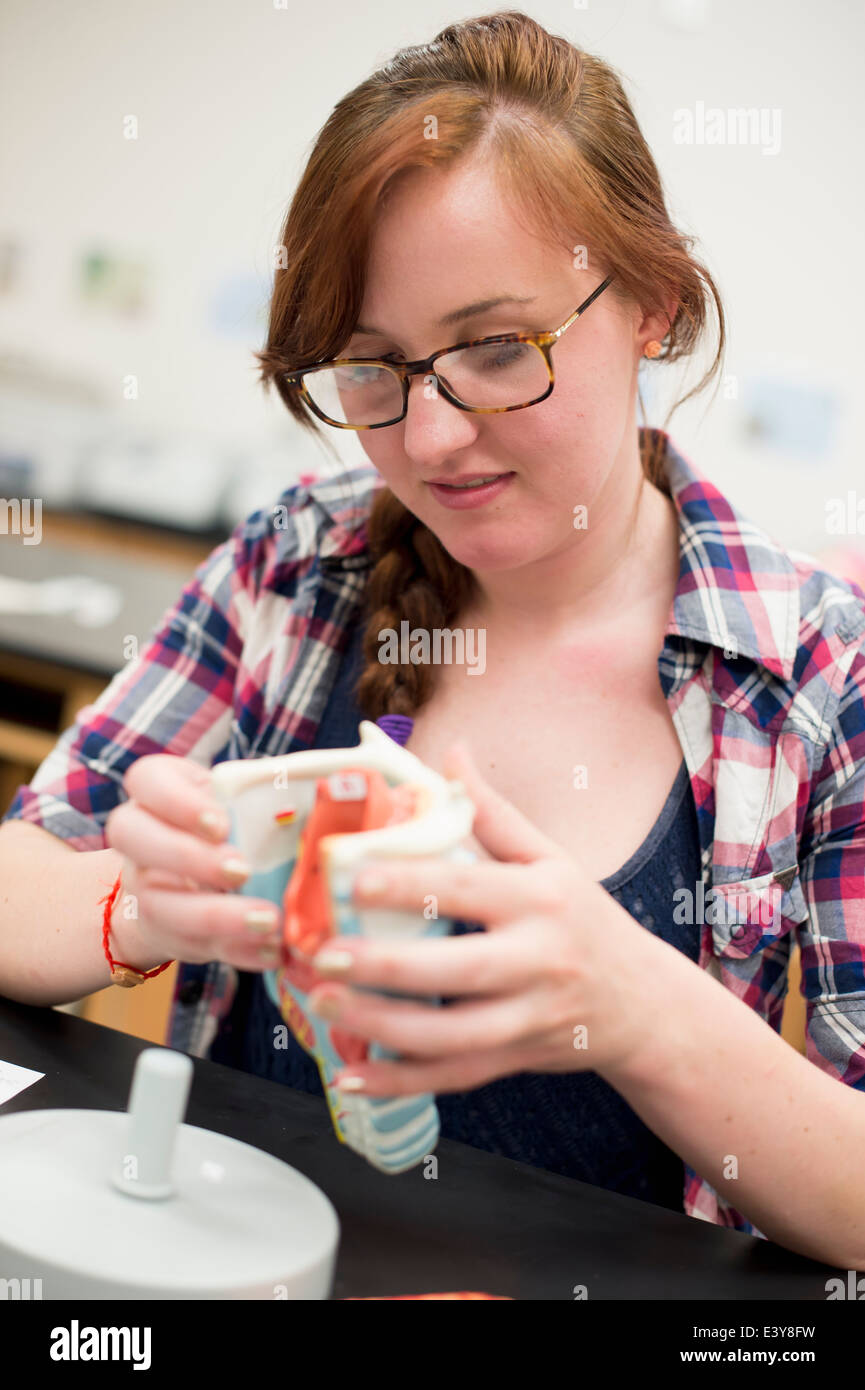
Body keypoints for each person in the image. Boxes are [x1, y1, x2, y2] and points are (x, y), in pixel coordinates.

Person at [1, 10, 864, 1267]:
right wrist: (143, 903)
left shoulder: (815, 673)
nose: (434, 439)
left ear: (655, 307)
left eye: (499, 350)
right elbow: (22, 887)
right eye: (371, 372)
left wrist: (632, 1009)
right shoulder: (297, 567)